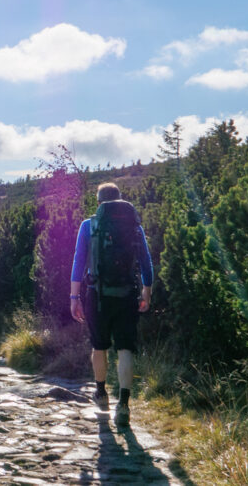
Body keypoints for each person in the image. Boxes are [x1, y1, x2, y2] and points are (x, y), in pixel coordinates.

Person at [69, 182, 153, 426]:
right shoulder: (134, 227)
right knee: (125, 348)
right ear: (119, 199)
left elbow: (79, 261)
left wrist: (74, 298)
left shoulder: (88, 225)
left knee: (99, 346)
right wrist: (147, 292)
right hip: (127, 294)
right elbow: (146, 261)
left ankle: (101, 393)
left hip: (97, 296)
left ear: (99, 202)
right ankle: (124, 404)